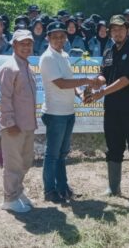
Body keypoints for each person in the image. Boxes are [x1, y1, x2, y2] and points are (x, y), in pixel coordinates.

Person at [86, 15, 129, 198]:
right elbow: (103, 75)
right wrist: (96, 82)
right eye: (114, 29)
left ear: (128, 31)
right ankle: (113, 188)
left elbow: (126, 80)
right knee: (113, 147)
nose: (117, 32)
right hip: (112, 110)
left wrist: (103, 92)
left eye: (121, 29)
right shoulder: (108, 53)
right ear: (110, 32)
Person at [39, 21, 95, 203]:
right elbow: (61, 83)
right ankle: (49, 190)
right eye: (55, 36)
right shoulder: (48, 57)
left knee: (62, 154)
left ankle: (63, 188)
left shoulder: (63, 55)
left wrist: (79, 94)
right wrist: (85, 80)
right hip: (55, 114)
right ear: (48, 38)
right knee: (53, 155)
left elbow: (68, 83)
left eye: (62, 36)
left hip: (67, 112)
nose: (59, 39)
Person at [0, 30, 37, 213]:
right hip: (13, 125)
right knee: (13, 163)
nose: (26, 46)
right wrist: (9, 122)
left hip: (27, 124)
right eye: (22, 43)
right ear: (14, 45)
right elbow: (4, 98)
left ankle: (17, 191)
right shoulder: (9, 67)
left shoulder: (26, 66)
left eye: (29, 43)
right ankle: (9, 199)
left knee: (25, 161)